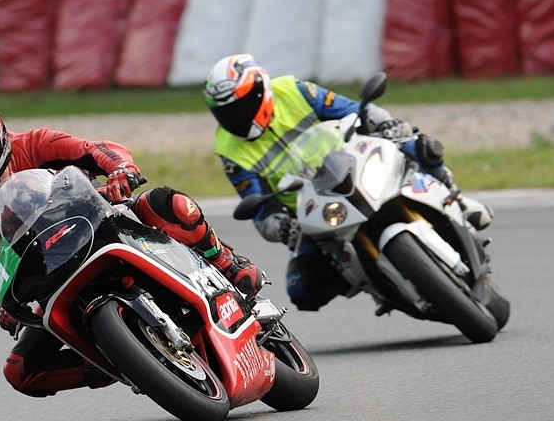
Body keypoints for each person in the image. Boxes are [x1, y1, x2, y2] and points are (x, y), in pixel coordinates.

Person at [0, 99, 265, 398]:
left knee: (166, 202)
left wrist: (121, 170)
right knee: (21, 371)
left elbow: (98, 149)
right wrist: (6, 306)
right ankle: (120, 360)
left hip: (102, 221)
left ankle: (228, 263)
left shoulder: (33, 144)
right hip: (52, 271)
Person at [203, 53, 493, 312]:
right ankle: (373, 281)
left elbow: (355, 110)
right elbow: (258, 207)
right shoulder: (228, 148)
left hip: (351, 164)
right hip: (311, 206)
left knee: (419, 144)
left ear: (260, 91)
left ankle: (455, 197)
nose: (234, 117)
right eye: (225, 112)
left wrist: (387, 125)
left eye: (240, 106)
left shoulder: (293, 90)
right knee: (302, 289)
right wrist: (282, 227)